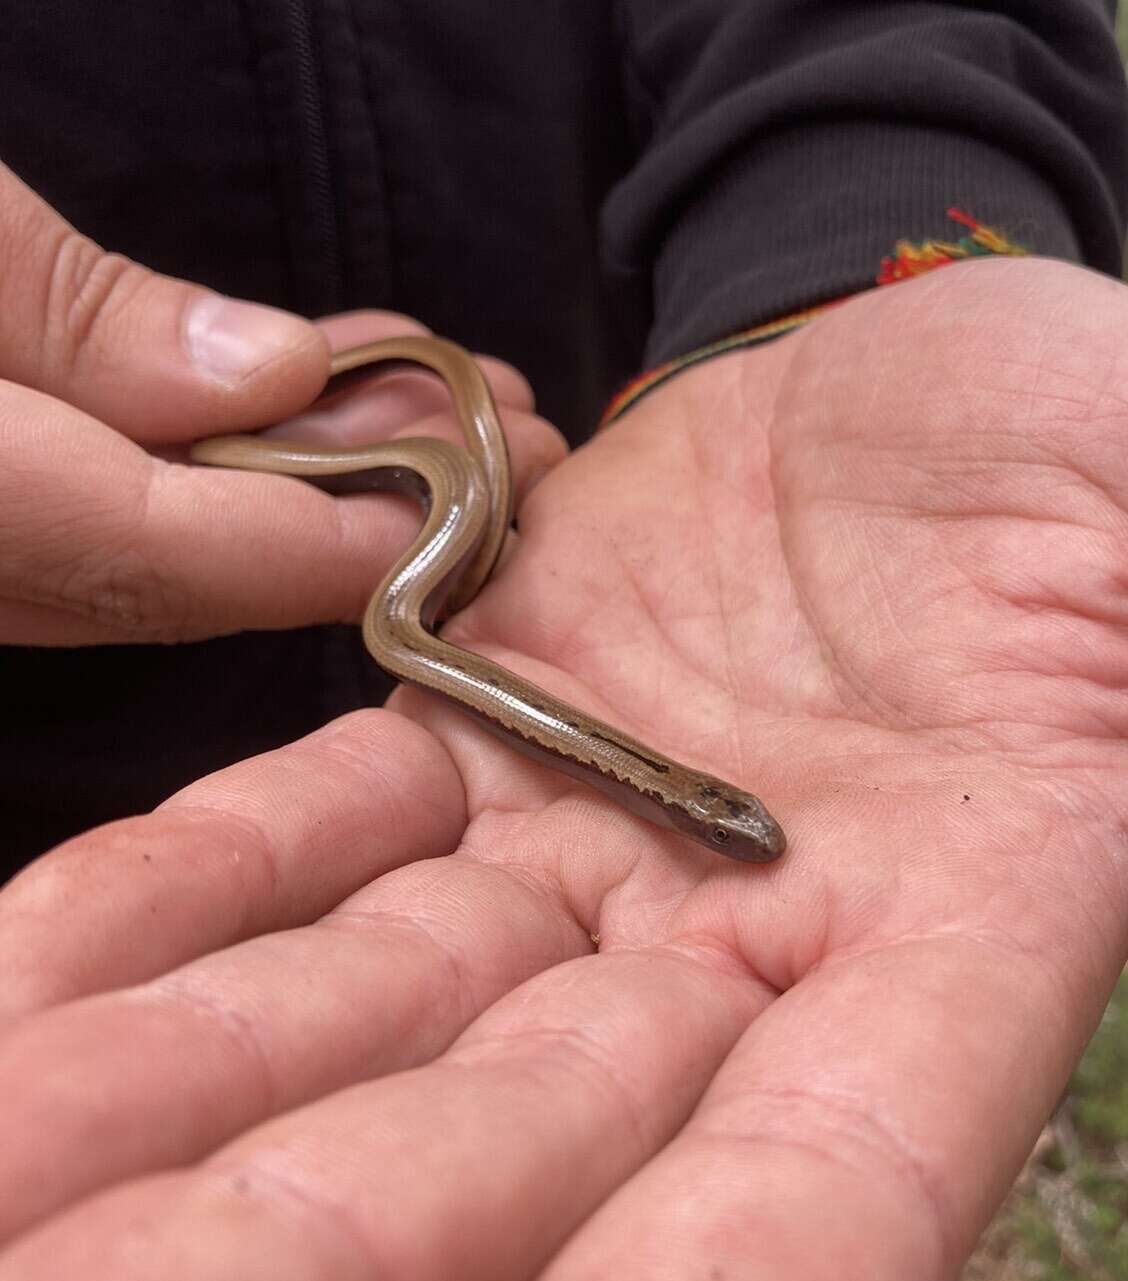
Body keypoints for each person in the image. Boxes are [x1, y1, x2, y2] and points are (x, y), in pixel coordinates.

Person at [0, 2, 1126, 1276]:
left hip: (567, 497)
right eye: (721, 824)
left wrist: (860, 229)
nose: (735, 836)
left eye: (723, 823)